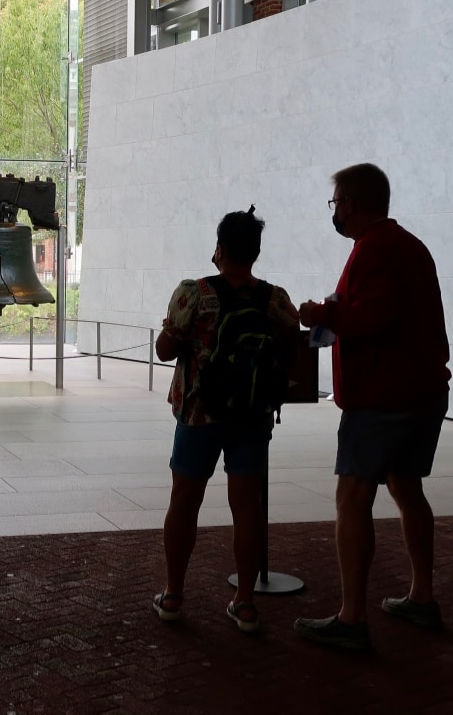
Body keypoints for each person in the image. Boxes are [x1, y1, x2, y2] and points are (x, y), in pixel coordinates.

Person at [294, 164, 451, 651]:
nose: (335, 212)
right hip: (420, 392)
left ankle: (351, 618)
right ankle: (421, 597)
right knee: (407, 488)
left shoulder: (377, 249)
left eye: (336, 203)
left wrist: (322, 314)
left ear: (354, 204)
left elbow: (373, 316)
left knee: (353, 499)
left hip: (383, 397)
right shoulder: (407, 245)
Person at [152, 207, 299, 633]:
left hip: (199, 412)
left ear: (219, 250)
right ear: (254, 252)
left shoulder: (194, 294)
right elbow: (292, 344)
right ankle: (246, 603)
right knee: (247, 509)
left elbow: (164, 349)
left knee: (184, 502)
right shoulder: (274, 298)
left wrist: (175, 333)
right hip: (252, 417)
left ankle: (174, 595)